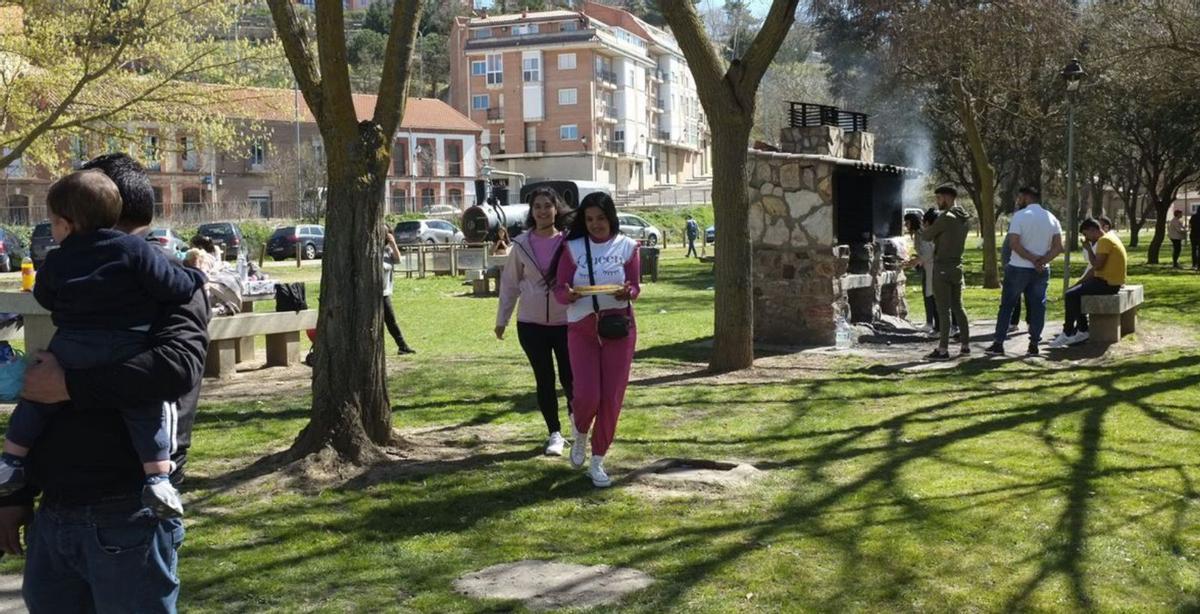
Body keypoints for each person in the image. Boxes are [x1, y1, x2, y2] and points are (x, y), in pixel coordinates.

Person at [0, 152, 210, 613]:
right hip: (56, 511)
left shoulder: (162, 283)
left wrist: (70, 385)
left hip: (128, 509)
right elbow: (41, 386)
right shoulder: (79, 273)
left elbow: (175, 368)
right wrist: (16, 496)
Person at [552, 192, 639, 488]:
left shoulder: (628, 247)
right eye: (589, 219)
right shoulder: (572, 248)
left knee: (612, 397)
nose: (595, 224)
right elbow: (560, 289)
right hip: (582, 327)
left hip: (618, 327)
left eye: (601, 218)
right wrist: (569, 295)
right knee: (588, 394)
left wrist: (628, 292)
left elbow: (635, 286)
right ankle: (580, 432)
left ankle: (598, 459)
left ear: (611, 217)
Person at [496, 187, 574, 456]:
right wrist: (501, 320)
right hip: (531, 324)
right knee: (545, 378)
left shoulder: (569, 242)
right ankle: (555, 433)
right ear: (532, 212)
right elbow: (509, 284)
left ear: (556, 209)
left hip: (566, 322)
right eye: (537, 206)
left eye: (547, 206)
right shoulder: (520, 245)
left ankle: (578, 427)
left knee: (570, 377)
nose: (542, 211)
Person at [986, 186, 1063, 357]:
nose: (1018, 200)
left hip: (1019, 267)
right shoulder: (1051, 218)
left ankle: (999, 342)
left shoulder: (1020, 216)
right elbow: (1058, 247)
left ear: (1026, 197)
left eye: (1019, 197)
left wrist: (1031, 259)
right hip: (1041, 270)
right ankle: (1034, 343)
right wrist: (1042, 260)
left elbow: (1014, 243)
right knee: (1038, 306)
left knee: (1007, 305)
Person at [1049, 218, 1128, 348]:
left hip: (1108, 284)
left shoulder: (1104, 241)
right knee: (1074, 293)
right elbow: (1095, 269)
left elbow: (1097, 265)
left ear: (1093, 230)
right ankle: (1081, 329)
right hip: (1108, 281)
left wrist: (1089, 249)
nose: (1086, 238)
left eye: (1086, 234)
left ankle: (1069, 332)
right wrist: (1078, 284)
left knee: (1071, 295)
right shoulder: (1111, 237)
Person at [919, 185, 971, 360]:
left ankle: (942, 349)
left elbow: (926, 235)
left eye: (939, 198)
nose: (937, 202)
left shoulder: (945, 218)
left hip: (942, 267)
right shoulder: (964, 217)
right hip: (957, 265)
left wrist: (923, 227)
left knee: (943, 310)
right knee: (958, 306)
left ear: (948, 198)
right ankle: (965, 345)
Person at [382, 223, 415, 355]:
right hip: (372, 294)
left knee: (391, 321)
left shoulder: (387, 250)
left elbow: (398, 260)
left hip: (384, 293)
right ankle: (402, 345)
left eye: (385, 233)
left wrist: (393, 243)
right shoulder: (371, 249)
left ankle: (402, 346)